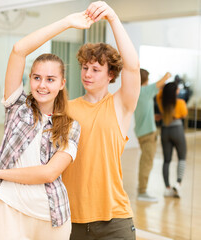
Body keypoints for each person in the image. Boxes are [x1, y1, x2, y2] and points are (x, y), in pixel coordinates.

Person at [0, 13, 83, 239]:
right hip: (10, 210)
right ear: (29, 79)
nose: (42, 85)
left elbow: (49, 173)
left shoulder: (71, 126)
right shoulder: (17, 107)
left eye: (50, 79)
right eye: (36, 77)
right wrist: (67, 22)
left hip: (52, 216)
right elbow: (19, 49)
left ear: (61, 83)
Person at [60, 2, 140, 239]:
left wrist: (113, 18)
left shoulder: (120, 104)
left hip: (115, 219)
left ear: (111, 74)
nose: (87, 74)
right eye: (85, 67)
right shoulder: (67, 108)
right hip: (71, 218)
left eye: (95, 69)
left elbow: (133, 67)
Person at [134, 69, 171, 202]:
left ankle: (142, 190)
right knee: (147, 162)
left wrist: (153, 117)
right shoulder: (144, 91)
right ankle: (142, 192)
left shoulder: (137, 93)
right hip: (148, 134)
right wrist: (167, 74)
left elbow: (143, 110)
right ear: (144, 79)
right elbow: (160, 83)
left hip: (142, 131)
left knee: (146, 161)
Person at [156, 82, 188, 198]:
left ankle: (167, 187)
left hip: (165, 131)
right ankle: (178, 183)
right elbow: (184, 114)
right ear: (175, 92)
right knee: (182, 157)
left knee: (166, 160)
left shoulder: (161, 103)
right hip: (177, 130)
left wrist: (163, 88)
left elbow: (159, 95)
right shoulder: (180, 103)